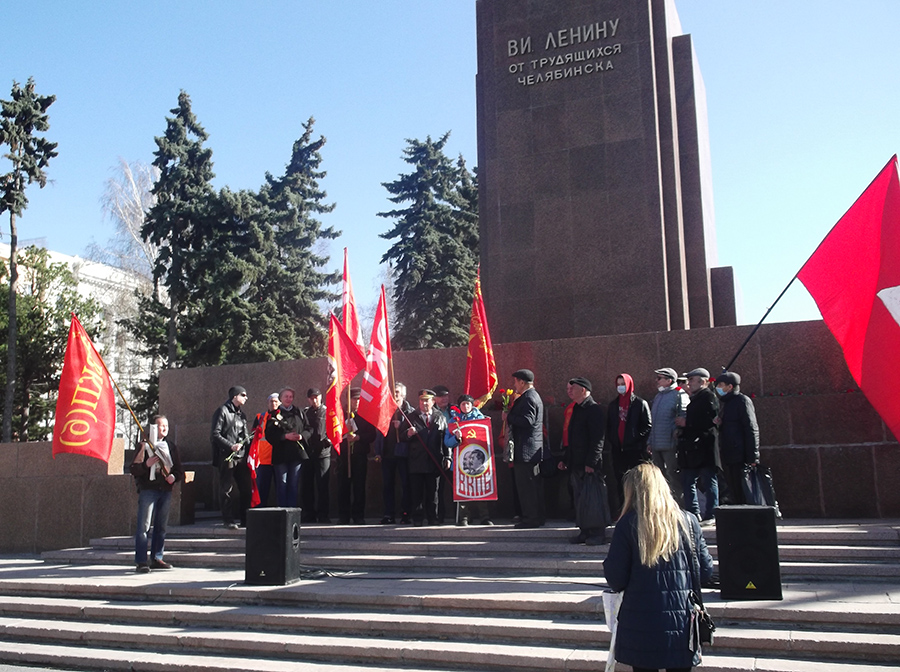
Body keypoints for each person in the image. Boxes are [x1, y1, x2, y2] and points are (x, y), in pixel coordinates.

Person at [603, 463, 714, 672]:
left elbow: (616, 579)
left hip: (640, 623)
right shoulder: (689, 522)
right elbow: (705, 571)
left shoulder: (628, 524)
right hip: (682, 623)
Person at [557, 376, 607, 545]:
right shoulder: (576, 409)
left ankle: (598, 532)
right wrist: (566, 459)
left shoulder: (593, 409)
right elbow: (572, 438)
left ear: (583, 390)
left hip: (588, 465)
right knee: (580, 500)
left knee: (593, 500)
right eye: (568, 388)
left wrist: (591, 463)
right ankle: (584, 531)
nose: (569, 391)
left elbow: (598, 440)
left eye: (573, 388)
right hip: (575, 463)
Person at [131, 415, 183, 572]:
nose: (165, 428)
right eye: (162, 426)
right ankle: (141, 561)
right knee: (144, 526)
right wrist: (146, 465)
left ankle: (157, 557)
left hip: (165, 490)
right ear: (154, 427)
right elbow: (134, 468)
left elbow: (179, 469)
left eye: (167, 425)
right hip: (149, 490)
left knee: (161, 526)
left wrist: (174, 477)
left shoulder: (171, 446)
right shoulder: (144, 445)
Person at [676, 368, 720, 524]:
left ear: (702, 381)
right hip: (692, 449)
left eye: (691, 380)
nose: (689, 384)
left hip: (705, 447)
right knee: (688, 481)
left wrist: (687, 423)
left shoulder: (709, 397)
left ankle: (712, 513)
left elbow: (711, 422)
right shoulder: (695, 399)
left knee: (709, 480)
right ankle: (693, 514)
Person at [504, 369, 545, 529]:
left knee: (527, 487)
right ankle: (537, 516)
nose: (514, 385)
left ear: (522, 382)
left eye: (516, 381)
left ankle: (531, 518)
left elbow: (528, 421)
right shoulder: (532, 396)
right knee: (532, 486)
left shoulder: (529, 398)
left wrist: (509, 417)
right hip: (530, 450)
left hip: (526, 450)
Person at [606, 374, 652, 516]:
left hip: (635, 450)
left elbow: (647, 426)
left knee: (637, 481)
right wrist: (613, 439)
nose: (621, 387)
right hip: (618, 450)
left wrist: (635, 439)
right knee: (620, 481)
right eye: (619, 384)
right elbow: (609, 425)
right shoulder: (614, 405)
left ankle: (639, 511)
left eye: (623, 384)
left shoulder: (639, 403)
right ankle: (623, 511)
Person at [404, 389, 450, 526]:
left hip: (434, 460)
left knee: (433, 492)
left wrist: (448, 457)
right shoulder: (411, 417)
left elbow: (445, 439)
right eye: (422, 400)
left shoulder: (440, 417)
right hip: (416, 460)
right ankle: (417, 518)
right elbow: (400, 436)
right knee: (417, 492)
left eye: (427, 400)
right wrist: (408, 433)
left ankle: (433, 517)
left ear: (433, 401)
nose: (424, 403)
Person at [445, 394, 493, 526]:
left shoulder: (481, 419)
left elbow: (487, 439)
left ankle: (484, 517)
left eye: (468, 404)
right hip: (461, 463)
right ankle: (464, 517)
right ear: (459, 406)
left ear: (472, 405)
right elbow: (447, 442)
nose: (465, 406)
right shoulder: (454, 421)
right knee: (463, 490)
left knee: (481, 489)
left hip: (479, 461)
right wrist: (455, 438)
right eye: (463, 404)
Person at [714, 371, 760, 505]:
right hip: (729, 452)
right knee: (734, 487)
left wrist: (753, 457)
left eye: (721, 385)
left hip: (740, 453)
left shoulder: (742, 401)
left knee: (743, 489)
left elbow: (751, 428)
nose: (718, 388)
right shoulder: (726, 403)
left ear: (730, 386)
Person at [211, 385, 251, 529]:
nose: (246, 398)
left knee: (246, 488)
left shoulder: (242, 415)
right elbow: (215, 434)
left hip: (241, 457)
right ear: (235, 396)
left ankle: (245, 520)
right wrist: (230, 446)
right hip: (226, 456)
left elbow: (245, 436)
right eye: (243, 395)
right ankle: (228, 520)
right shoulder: (222, 411)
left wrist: (250, 441)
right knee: (226, 489)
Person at [336, 388, 377, 524]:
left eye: (359, 399)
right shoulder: (341, 414)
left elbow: (372, 435)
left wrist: (359, 437)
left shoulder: (366, 415)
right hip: (344, 455)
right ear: (349, 400)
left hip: (360, 455)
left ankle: (358, 515)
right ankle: (344, 516)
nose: (357, 402)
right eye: (354, 399)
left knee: (359, 486)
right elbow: (334, 432)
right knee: (343, 486)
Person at [265, 387, 310, 508]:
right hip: (281, 455)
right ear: (281, 398)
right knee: (282, 483)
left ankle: (292, 512)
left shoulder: (299, 412)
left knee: (294, 484)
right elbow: (269, 435)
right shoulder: (274, 414)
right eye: (286, 396)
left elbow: (308, 428)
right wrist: (284, 436)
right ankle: (282, 512)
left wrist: (302, 436)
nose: (288, 399)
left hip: (297, 454)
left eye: (291, 397)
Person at [376, 382, 414, 524]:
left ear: (403, 394)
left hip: (404, 454)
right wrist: (378, 451)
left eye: (397, 391)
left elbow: (415, 431)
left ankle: (406, 513)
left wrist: (402, 426)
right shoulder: (384, 409)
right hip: (387, 453)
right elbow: (379, 432)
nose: (395, 394)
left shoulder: (410, 411)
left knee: (406, 485)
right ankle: (388, 514)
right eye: (393, 391)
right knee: (387, 485)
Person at [648, 367, 688, 498]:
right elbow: (654, 422)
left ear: (669, 380)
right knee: (659, 476)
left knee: (672, 475)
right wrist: (650, 441)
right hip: (656, 444)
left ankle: (679, 502)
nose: (657, 381)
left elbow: (684, 416)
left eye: (660, 378)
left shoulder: (679, 394)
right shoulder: (658, 396)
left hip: (670, 444)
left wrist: (678, 431)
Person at [302, 388, 332, 523]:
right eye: (312, 398)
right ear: (308, 399)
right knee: (307, 485)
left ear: (321, 397)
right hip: (308, 453)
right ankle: (309, 513)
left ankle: (323, 514)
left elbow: (334, 428)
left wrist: (329, 440)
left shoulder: (328, 411)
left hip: (323, 453)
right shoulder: (305, 413)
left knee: (323, 485)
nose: (315, 400)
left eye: (317, 397)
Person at [250, 392, 280, 508]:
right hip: (263, 459)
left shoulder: (284, 417)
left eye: (276, 401)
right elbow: (253, 437)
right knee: (262, 489)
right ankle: (260, 512)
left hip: (279, 458)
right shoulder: (260, 417)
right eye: (271, 401)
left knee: (280, 489)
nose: (273, 404)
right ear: (267, 403)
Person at [432, 384, 453, 524]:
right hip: (438, 454)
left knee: (456, 486)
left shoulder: (454, 410)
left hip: (456, 454)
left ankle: (461, 515)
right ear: (434, 399)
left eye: (446, 395)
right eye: (441, 396)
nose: (444, 398)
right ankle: (439, 516)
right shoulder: (432, 412)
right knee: (438, 488)